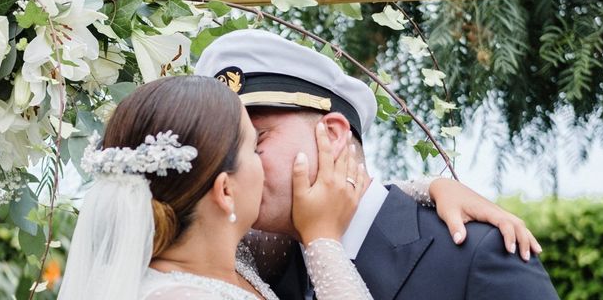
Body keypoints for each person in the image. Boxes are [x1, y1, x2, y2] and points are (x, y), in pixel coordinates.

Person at [194, 28, 560, 300]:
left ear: (334, 135)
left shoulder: (478, 252)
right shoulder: (261, 263)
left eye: (255, 142)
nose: (230, 169)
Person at [58, 75, 377, 299]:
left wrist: (422, 186)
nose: (263, 164)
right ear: (225, 191)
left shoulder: (232, 257)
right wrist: (323, 238)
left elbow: (307, 204)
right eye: (254, 148)